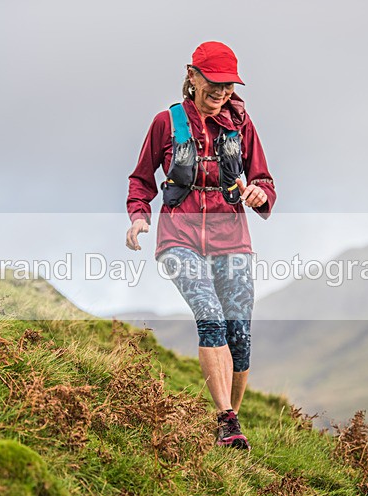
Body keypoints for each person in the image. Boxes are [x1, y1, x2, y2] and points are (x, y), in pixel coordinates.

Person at [125, 41, 276, 450]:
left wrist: (261, 195)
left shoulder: (242, 125)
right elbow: (141, 179)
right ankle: (227, 420)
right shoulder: (166, 122)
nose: (222, 92)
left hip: (232, 239)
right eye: (214, 82)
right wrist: (139, 215)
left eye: (229, 86)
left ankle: (231, 419)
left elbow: (263, 179)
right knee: (209, 316)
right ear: (192, 75)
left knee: (239, 334)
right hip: (180, 237)